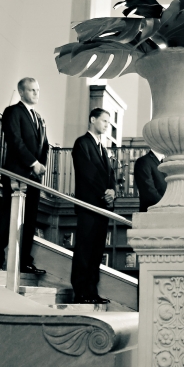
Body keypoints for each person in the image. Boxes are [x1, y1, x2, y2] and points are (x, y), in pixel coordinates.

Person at [0, 78, 48, 275]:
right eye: (32, 90)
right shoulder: (13, 111)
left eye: (38, 90)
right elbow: (15, 140)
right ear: (21, 92)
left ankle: (24, 262)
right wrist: (33, 163)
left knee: (30, 221)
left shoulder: (39, 117)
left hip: (34, 177)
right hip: (17, 173)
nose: (36, 93)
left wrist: (41, 165)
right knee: (7, 217)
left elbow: (44, 146)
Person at [70, 108, 117, 305]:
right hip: (89, 205)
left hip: (102, 206)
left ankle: (92, 290)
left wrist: (112, 191)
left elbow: (110, 175)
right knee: (84, 249)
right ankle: (81, 291)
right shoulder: (82, 143)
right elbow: (87, 174)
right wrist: (104, 193)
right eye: (104, 120)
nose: (107, 125)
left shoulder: (103, 148)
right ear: (92, 120)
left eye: (109, 122)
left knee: (97, 251)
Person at [133, 147, 166, 212]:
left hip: (165, 212)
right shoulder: (143, 161)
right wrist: (166, 205)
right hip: (152, 213)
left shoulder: (166, 162)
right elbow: (149, 191)